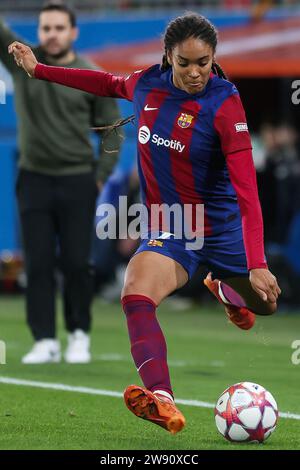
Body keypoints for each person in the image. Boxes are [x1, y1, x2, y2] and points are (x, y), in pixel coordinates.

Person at [9, 12, 281, 434]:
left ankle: (226, 289)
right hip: (173, 226)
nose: (195, 73)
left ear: (214, 58)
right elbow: (104, 83)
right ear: (167, 57)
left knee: (265, 304)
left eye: (204, 62)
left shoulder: (226, 103)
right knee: (135, 292)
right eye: (184, 63)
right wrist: (38, 69)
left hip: (223, 226)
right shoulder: (146, 84)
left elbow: (248, 190)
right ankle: (162, 398)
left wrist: (257, 261)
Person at [0, 2, 122, 364]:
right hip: (33, 177)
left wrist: (100, 176)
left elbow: (113, 131)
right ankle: (44, 340)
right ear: (38, 31)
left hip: (78, 180)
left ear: (73, 32)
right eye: (46, 28)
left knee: (75, 262)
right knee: (36, 263)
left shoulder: (89, 73)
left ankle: (79, 334)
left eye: (58, 27)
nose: (51, 34)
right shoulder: (23, 63)